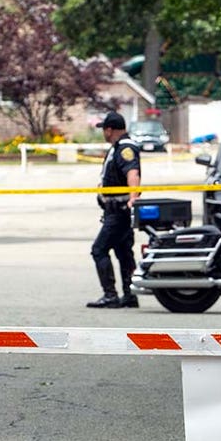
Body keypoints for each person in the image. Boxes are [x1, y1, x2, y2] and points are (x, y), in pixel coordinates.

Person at [87, 111, 140, 308]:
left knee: (99, 249)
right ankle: (129, 294)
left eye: (104, 130)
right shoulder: (118, 147)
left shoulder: (125, 148)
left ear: (109, 130)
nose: (104, 133)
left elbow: (132, 173)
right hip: (116, 210)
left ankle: (110, 294)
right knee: (123, 251)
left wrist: (133, 198)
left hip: (119, 211)